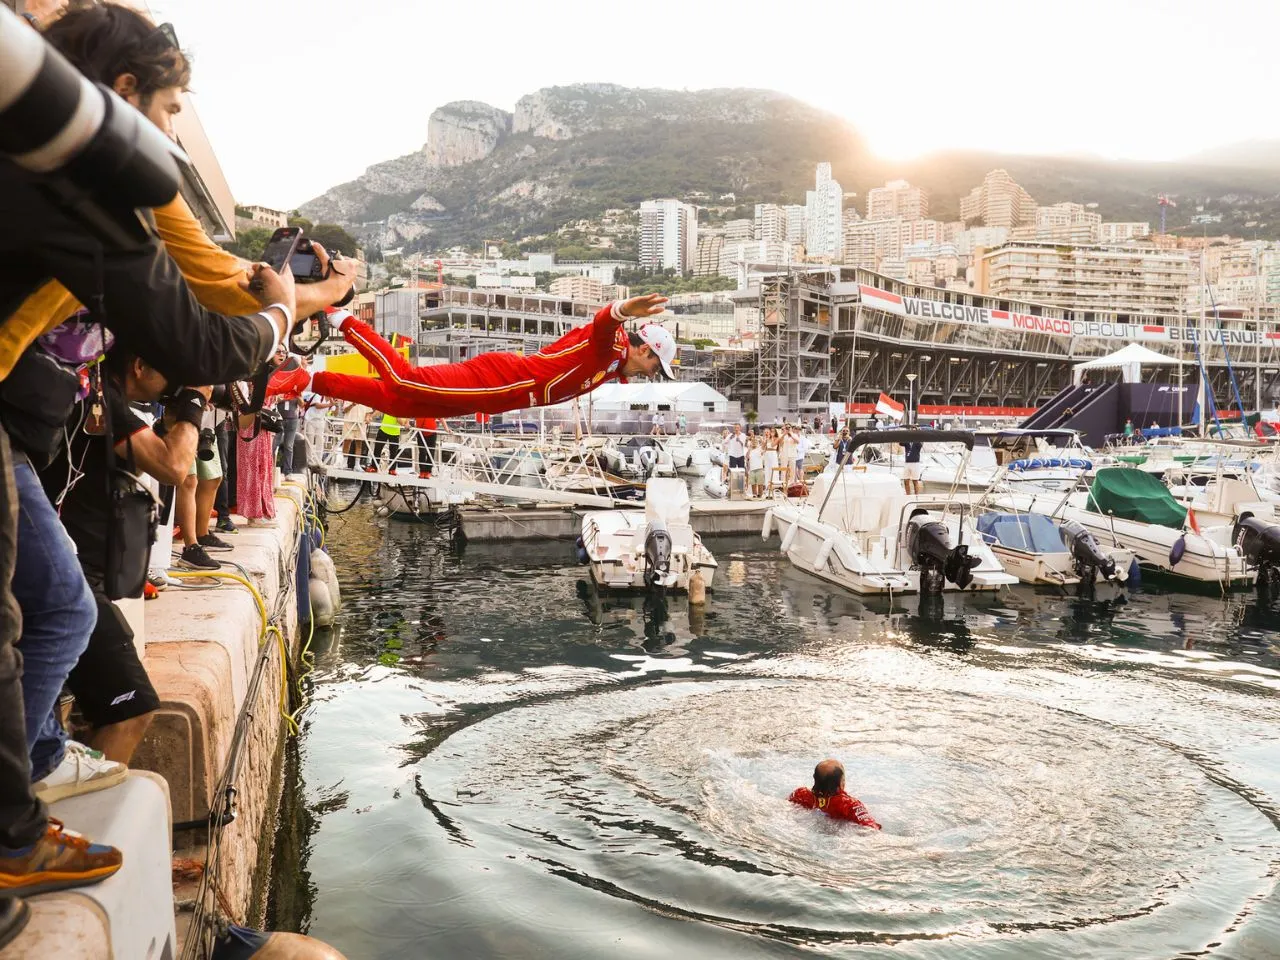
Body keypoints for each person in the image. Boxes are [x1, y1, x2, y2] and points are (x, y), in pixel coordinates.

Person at [39, 344, 204, 768]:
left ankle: (52, 800)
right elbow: (174, 466)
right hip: (67, 576)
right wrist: (195, 403)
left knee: (59, 700)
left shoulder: (88, 390)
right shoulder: (102, 400)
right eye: (168, 373)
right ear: (140, 364)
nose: (171, 384)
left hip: (65, 568)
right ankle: (80, 822)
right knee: (132, 708)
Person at [311, 296, 675, 418]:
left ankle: (312, 380)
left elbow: (612, 365)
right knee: (405, 380)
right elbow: (604, 320)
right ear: (645, 349)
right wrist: (626, 308)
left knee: (401, 404)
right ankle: (341, 318)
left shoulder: (616, 368)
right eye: (657, 366)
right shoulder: (611, 345)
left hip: (508, 393)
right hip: (509, 380)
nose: (654, 374)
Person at [788, 759, 881, 829]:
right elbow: (871, 829)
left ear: (815, 778)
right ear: (841, 783)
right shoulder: (849, 805)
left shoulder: (800, 794)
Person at [763, 427, 780, 493]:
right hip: (767, 454)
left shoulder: (777, 438)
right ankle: (767, 485)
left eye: (773, 431)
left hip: (773, 454)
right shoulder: (768, 439)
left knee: (773, 468)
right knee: (767, 469)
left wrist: (772, 437)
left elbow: (773, 445)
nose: (772, 432)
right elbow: (764, 446)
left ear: (775, 432)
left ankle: (774, 486)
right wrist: (765, 439)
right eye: (771, 431)